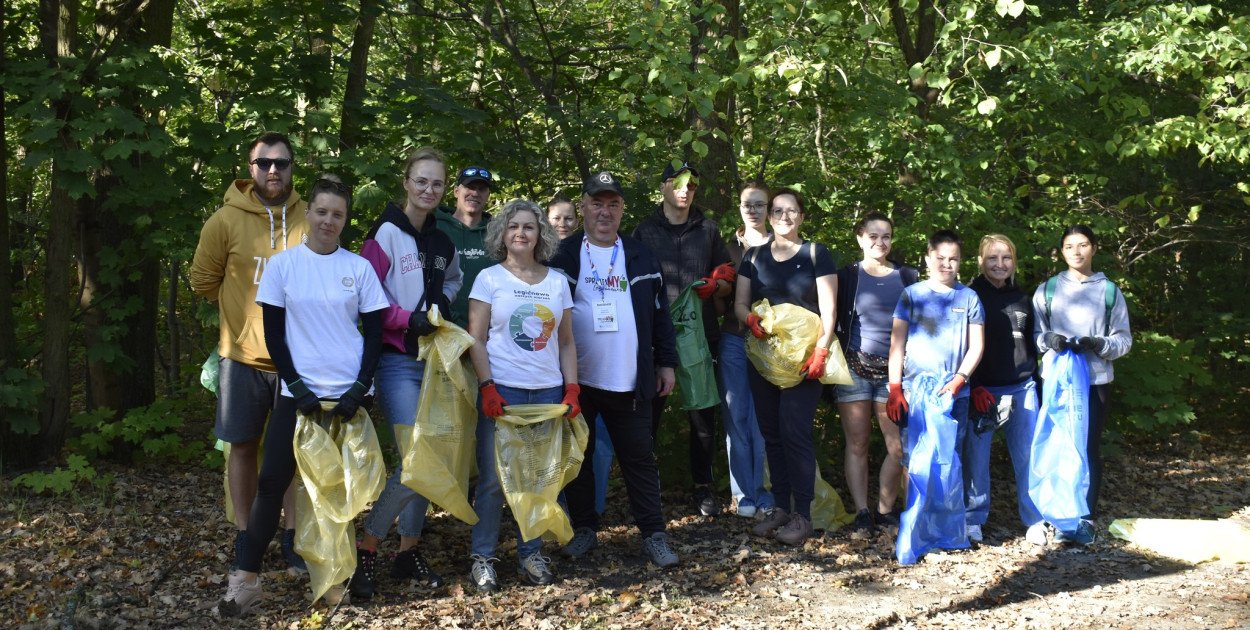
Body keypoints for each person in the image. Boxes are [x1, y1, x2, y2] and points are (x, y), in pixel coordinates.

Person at [218, 175, 388, 617]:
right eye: (322, 211)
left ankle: (336, 580)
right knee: (272, 484)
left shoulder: (359, 269)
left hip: (348, 398)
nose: (328, 220)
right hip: (299, 395)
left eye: (338, 214)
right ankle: (245, 580)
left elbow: (372, 337)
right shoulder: (283, 267)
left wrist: (360, 388)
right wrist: (295, 385)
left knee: (339, 492)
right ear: (307, 213)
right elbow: (274, 334)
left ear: (345, 220)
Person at [548, 170, 681, 568]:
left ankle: (654, 534)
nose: (604, 212)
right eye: (597, 203)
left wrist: (666, 362)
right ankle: (585, 529)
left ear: (622, 209)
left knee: (639, 458)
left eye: (613, 204)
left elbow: (661, 315)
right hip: (578, 379)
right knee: (581, 458)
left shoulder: (639, 254)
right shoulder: (564, 254)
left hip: (630, 378)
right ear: (584, 206)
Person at [190, 131, 309, 573]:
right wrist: (243, 314)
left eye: (282, 162)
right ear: (250, 168)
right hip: (239, 357)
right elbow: (203, 280)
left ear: (293, 167)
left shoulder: (308, 219)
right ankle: (246, 535)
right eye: (264, 163)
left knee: (292, 451)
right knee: (242, 446)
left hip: (297, 359)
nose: (273, 170)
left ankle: (292, 536)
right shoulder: (225, 220)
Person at [352, 147, 463, 600]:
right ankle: (369, 546)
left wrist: (444, 306)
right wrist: (404, 319)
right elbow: (367, 294)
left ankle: (407, 551)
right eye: (421, 181)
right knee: (415, 457)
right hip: (397, 359)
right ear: (406, 182)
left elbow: (453, 280)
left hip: (434, 359)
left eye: (437, 183)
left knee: (429, 458)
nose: (428, 190)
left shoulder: (443, 240)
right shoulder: (383, 234)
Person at [465, 199, 580, 591]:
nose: (520, 233)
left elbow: (565, 343)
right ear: (502, 233)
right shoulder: (489, 279)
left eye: (529, 227)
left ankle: (530, 554)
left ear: (540, 234)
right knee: (495, 481)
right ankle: (482, 557)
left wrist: (572, 387)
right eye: (513, 226)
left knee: (538, 479)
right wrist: (487, 386)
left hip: (546, 392)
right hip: (504, 391)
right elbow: (475, 339)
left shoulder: (557, 282)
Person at [734, 188, 838, 546]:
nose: (783, 217)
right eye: (778, 211)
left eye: (791, 211)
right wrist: (749, 320)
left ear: (802, 216)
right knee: (772, 434)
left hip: (804, 360)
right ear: (770, 215)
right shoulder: (755, 257)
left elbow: (829, 310)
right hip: (764, 358)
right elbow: (740, 303)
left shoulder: (815, 254)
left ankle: (803, 515)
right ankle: (779, 507)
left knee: (795, 433)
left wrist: (821, 351)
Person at [632, 160, 734, 516]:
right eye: (677, 183)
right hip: (656, 338)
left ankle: (703, 489)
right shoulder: (643, 232)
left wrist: (714, 286)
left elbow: (728, 276)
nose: (684, 190)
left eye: (691, 185)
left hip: (701, 336)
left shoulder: (708, 229)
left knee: (703, 416)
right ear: (662, 186)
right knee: (647, 419)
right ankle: (645, 491)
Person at [1032, 224, 1132, 545]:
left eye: (1083, 244)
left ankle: (1085, 517)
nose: (1077, 251)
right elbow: (1035, 337)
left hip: (1095, 382)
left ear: (1094, 248)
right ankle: (1058, 516)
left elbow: (1123, 339)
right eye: (1070, 246)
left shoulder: (1109, 292)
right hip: (1057, 383)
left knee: (1088, 448)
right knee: (1057, 446)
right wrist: (1052, 340)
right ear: (1061, 252)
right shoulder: (1047, 290)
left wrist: (1097, 344)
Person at [886, 230, 985, 544]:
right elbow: (896, 345)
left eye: (953, 258)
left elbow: (976, 345)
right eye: (940, 258)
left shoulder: (968, 297)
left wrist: (960, 379)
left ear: (960, 261)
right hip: (915, 394)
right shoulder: (912, 295)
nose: (946, 264)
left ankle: (944, 531)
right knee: (913, 460)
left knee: (948, 460)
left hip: (955, 395)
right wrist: (895, 388)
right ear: (928, 258)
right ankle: (916, 526)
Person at [833, 212, 918, 530]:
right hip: (854, 368)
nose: (880, 242)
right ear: (860, 238)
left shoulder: (908, 276)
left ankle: (884, 510)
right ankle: (861, 512)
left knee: (897, 447)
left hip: (894, 374)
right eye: (873, 236)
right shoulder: (848, 276)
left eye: (886, 236)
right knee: (857, 443)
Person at [968, 234, 1043, 545]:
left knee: (1028, 456)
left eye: (1006, 258)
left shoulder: (1025, 299)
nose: (999, 264)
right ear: (981, 262)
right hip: (982, 390)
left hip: (1022, 387)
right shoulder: (970, 296)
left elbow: (1034, 343)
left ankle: (1036, 519)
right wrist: (971, 384)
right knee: (976, 459)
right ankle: (973, 519)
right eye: (992, 258)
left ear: (1014, 261)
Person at [718, 182, 774, 519]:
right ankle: (744, 494)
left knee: (763, 418)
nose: (752, 210)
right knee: (736, 416)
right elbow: (716, 296)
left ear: (769, 209)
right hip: (734, 339)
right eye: (746, 204)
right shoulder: (727, 249)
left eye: (759, 204)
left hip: (771, 343)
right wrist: (718, 284)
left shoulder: (782, 245)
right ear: (738, 208)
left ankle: (766, 491)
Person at [437, 165, 494, 327]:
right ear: (456, 191)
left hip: (487, 332)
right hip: (440, 326)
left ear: (488, 195)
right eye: (469, 187)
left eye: (482, 189)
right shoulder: (434, 226)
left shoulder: (498, 233)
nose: (475, 193)